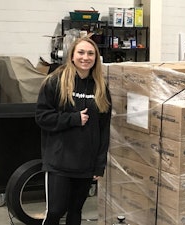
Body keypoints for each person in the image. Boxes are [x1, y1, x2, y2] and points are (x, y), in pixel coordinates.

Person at [35, 36, 111, 225]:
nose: (86, 57)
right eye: (81, 52)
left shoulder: (100, 87)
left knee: (75, 211)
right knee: (55, 211)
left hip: (85, 164)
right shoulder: (55, 81)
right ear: (72, 55)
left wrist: (99, 164)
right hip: (59, 162)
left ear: (96, 58)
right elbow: (42, 117)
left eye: (91, 53)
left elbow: (104, 129)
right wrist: (72, 119)